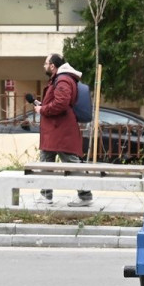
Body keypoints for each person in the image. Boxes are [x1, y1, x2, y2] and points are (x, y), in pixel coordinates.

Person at [28, 52, 91, 206]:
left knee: (70, 161)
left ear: (53, 66)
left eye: (45, 63)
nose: (44, 66)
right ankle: (45, 195)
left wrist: (42, 110)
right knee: (46, 161)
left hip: (61, 130)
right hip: (55, 129)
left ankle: (85, 196)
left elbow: (61, 104)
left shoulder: (62, 80)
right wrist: (42, 105)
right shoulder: (59, 79)